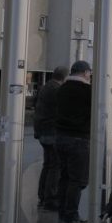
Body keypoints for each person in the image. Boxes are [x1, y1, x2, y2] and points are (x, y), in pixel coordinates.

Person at [54, 61, 93, 223]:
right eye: (89, 73)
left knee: (64, 177)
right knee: (78, 180)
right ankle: (71, 215)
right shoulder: (87, 90)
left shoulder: (61, 89)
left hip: (61, 138)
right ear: (85, 73)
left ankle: (62, 214)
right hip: (78, 139)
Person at [32, 67, 66, 208]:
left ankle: (42, 195)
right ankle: (50, 198)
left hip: (42, 131)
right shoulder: (57, 90)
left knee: (48, 164)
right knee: (55, 166)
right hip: (51, 131)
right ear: (64, 77)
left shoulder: (45, 87)